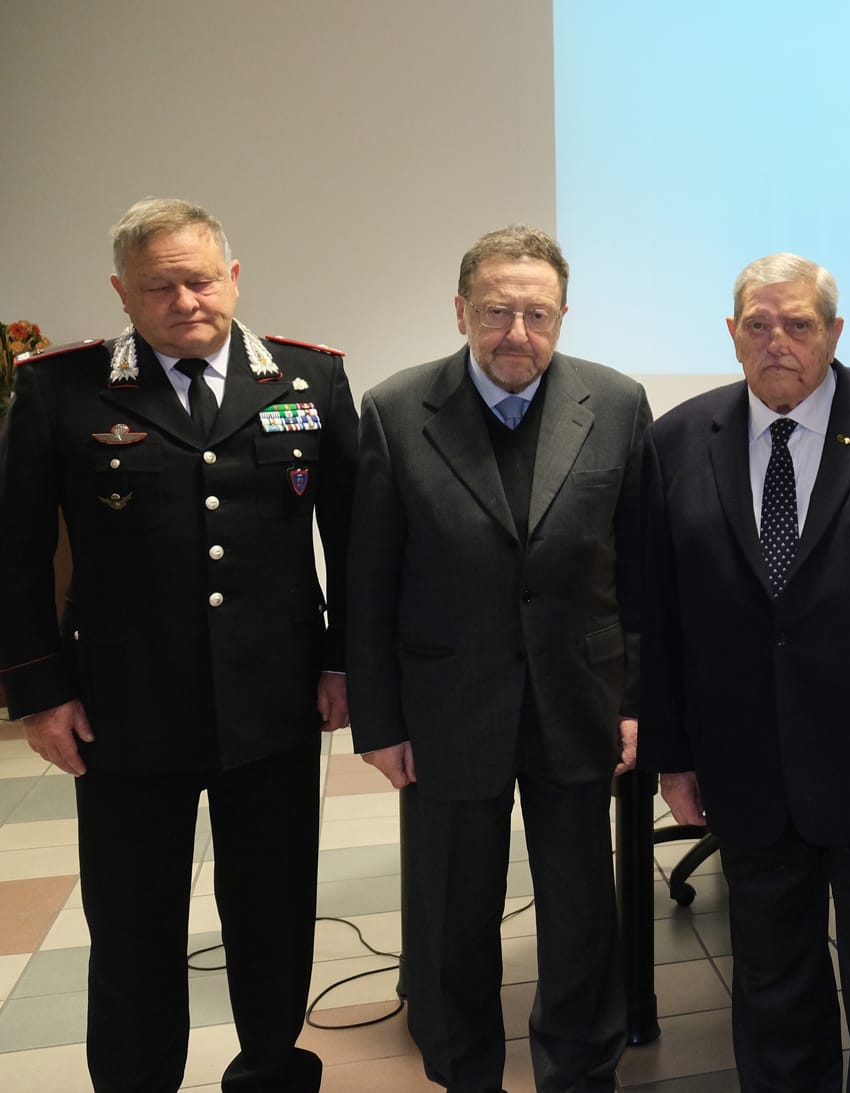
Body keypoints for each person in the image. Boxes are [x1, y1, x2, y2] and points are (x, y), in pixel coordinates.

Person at [0, 197, 354, 1092]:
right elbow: (15, 552)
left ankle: (271, 1070)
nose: (185, 301)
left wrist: (343, 660)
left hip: (272, 702)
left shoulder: (308, 380)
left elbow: (354, 539)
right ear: (122, 292)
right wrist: (40, 691)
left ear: (232, 277)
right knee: (132, 925)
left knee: (274, 912)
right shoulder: (61, 388)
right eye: (159, 287)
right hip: (123, 710)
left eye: (199, 280)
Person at [346, 226, 649, 1092]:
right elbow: (369, 584)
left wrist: (634, 700)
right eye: (496, 311)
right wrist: (380, 721)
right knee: (452, 908)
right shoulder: (396, 411)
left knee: (581, 908)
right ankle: (462, 1067)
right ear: (460, 312)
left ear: (563, 316)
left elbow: (640, 573)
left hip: (579, 697)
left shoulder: (617, 403)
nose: (517, 332)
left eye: (537, 313)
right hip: (447, 705)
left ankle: (580, 1067)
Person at [638, 252, 850, 1091]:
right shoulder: (676, 440)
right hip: (746, 767)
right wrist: (674, 756)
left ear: (834, 333)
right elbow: (658, 615)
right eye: (759, 324)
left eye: (800, 324)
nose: (779, 341)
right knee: (773, 987)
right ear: (732, 334)